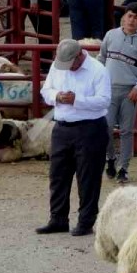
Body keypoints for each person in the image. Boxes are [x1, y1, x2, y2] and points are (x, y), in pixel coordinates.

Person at [35, 39, 111, 237]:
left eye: (71, 64)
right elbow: (46, 90)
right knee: (58, 175)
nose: (68, 68)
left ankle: (86, 220)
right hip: (62, 127)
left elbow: (104, 101)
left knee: (88, 177)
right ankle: (58, 218)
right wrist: (56, 97)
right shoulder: (57, 65)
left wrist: (77, 100)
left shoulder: (98, 70)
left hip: (90, 128)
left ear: (79, 55)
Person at [98, 2, 137, 185]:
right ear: (124, 17)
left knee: (126, 131)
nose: (132, 20)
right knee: (105, 128)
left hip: (129, 92)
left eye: (136, 17)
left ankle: (124, 167)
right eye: (129, 15)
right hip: (109, 89)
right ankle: (110, 158)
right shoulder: (110, 35)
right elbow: (101, 58)